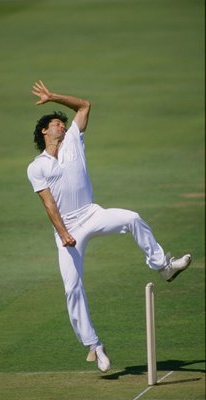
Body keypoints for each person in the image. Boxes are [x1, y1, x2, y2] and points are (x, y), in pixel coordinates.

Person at [26, 80, 191, 372]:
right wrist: (64, 233)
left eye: (63, 123)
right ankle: (94, 346)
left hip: (91, 213)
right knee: (72, 287)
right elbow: (49, 204)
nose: (61, 126)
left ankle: (163, 265)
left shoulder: (74, 139)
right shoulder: (36, 166)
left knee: (131, 217)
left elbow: (84, 104)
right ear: (44, 131)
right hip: (67, 229)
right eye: (55, 123)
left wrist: (53, 97)